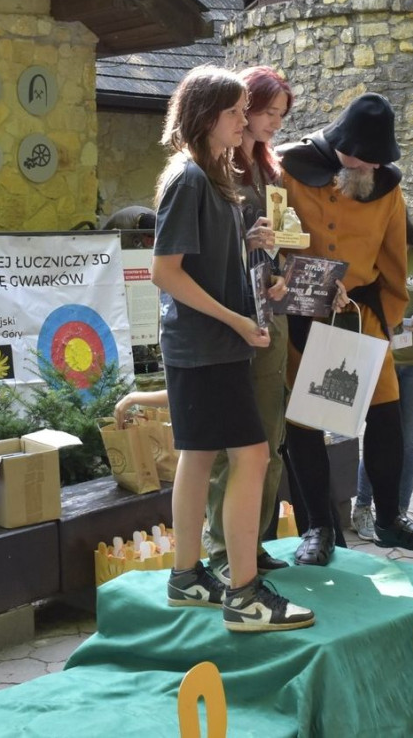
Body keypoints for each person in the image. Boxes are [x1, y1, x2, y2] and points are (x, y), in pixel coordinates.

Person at [151, 65, 313, 631]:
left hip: (211, 344)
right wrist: (239, 323)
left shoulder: (211, 174)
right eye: (236, 112)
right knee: (252, 456)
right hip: (208, 345)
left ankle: (187, 576)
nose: (245, 120)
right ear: (205, 116)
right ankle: (244, 594)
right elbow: (165, 273)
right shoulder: (189, 177)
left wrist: (253, 242)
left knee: (197, 458)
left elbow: (205, 257)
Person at [278, 92, 413, 565]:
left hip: (363, 317)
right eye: (362, 157)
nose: (368, 167)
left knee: (387, 414)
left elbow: (395, 260)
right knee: (305, 426)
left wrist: (386, 319)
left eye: (377, 160)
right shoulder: (286, 169)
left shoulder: (387, 188)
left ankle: (390, 518)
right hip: (302, 314)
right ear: (340, 145)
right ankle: (318, 528)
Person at [204, 65, 294, 581]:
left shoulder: (271, 169)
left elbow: (280, 240)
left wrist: (284, 272)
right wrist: (250, 243)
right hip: (234, 316)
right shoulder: (215, 168)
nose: (272, 123)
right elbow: (206, 250)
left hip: (270, 310)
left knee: (269, 439)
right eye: (264, 112)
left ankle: (254, 543)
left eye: (280, 115)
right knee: (234, 443)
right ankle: (223, 552)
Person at [350, 219, 413, 539]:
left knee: (408, 441)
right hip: (380, 359)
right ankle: (363, 507)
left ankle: (398, 513)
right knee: (379, 436)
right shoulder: (370, 257)